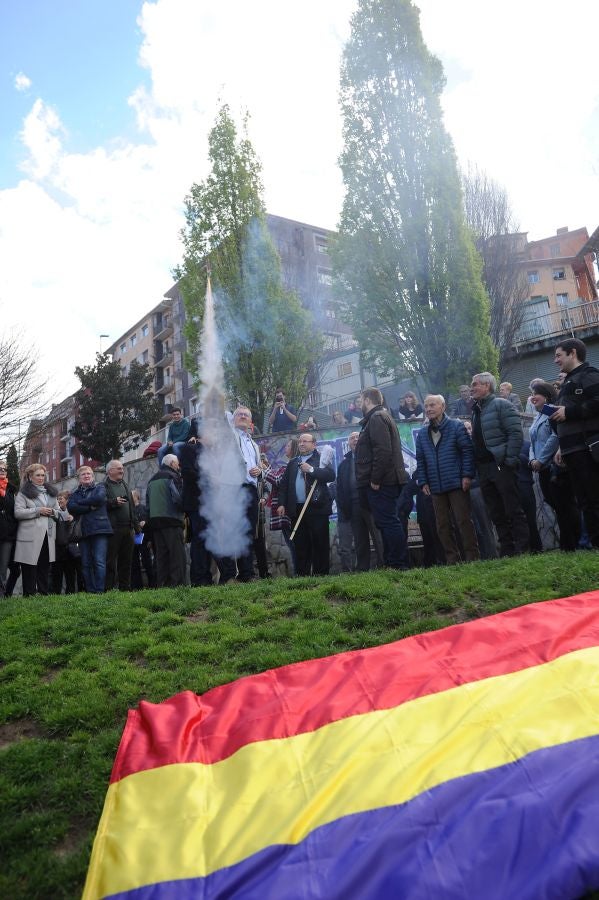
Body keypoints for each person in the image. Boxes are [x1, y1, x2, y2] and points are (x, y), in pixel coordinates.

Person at [415, 395, 479, 564]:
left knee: (463, 521)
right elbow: (420, 460)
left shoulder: (456, 426)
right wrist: (423, 481)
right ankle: (452, 560)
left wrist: (467, 475)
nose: (428, 409)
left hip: (457, 483)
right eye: (426, 406)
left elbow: (467, 452)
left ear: (443, 407)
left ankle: (472, 558)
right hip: (435, 486)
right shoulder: (422, 434)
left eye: (432, 405)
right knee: (442, 525)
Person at [470, 372, 529, 556]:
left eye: (475, 384)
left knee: (512, 508)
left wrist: (508, 461)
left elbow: (516, 434)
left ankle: (523, 548)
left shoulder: (502, 405)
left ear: (487, 386)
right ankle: (507, 550)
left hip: (500, 465)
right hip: (484, 468)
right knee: (496, 512)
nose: (471, 388)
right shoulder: (476, 411)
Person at [550, 337, 599, 547]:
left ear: (573, 353)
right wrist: (561, 447)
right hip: (571, 450)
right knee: (584, 501)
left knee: (594, 498)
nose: (555, 361)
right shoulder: (568, 382)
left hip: (587, 449)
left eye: (558, 355)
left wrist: (568, 412)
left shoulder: (589, 375)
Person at [356, 387, 409, 569]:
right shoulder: (379, 417)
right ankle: (392, 563)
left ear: (368, 400)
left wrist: (375, 480)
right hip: (386, 480)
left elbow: (383, 451)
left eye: (360, 400)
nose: (359, 404)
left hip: (383, 483)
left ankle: (398, 564)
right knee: (385, 522)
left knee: (389, 522)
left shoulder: (377, 418)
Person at [528, 381, 579, 552]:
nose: (532, 397)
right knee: (555, 504)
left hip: (554, 467)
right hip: (541, 468)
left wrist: (541, 460)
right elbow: (532, 441)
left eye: (536, 394)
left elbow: (555, 437)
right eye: (531, 394)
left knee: (564, 505)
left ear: (546, 396)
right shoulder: (537, 416)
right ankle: (568, 544)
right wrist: (532, 460)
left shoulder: (552, 411)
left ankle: (573, 544)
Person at [277, 433, 335, 576]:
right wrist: (281, 504)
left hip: (317, 508)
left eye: (305, 441)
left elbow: (330, 475)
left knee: (319, 543)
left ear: (314, 444)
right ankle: (303, 575)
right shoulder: (293, 462)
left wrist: (311, 469)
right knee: (301, 545)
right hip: (297, 509)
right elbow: (284, 485)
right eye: (300, 441)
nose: (301, 444)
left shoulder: (320, 459)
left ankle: (321, 575)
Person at [336, 431, 383, 571]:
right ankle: (363, 568)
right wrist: (344, 506)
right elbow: (340, 488)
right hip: (353, 506)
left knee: (377, 535)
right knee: (360, 538)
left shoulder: (371, 457)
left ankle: (384, 564)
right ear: (348, 443)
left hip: (371, 503)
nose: (355, 439)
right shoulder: (343, 464)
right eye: (352, 438)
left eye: (358, 437)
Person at [13, 464, 61, 596]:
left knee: (44, 566)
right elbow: (18, 513)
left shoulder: (51, 493)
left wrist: (53, 512)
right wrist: (38, 510)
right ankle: (29, 595)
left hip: (47, 535)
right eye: (38, 475)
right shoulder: (23, 493)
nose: (41, 478)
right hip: (30, 536)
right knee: (29, 567)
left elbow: (59, 512)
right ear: (30, 477)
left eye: (43, 475)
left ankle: (43, 593)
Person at [67, 466, 113, 593]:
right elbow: (71, 507)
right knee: (86, 563)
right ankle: (90, 590)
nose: (86, 476)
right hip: (83, 531)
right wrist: (89, 507)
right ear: (79, 478)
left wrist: (80, 503)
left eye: (89, 474)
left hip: (100, 529)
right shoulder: (75, 493)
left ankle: (99, 591)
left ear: (93, 476)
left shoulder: (100, 487)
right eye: (83, 474)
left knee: (99, 561)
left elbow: (99, 499)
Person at [231, 406, 264, 582]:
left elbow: (259, 467)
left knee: (250, 531)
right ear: (233, 419)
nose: (243, 416)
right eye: (239, 414)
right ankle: (241, 573)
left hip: (251, 489)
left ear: (250, 421)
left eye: (246, 415)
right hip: (235, 488)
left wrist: (259, 470)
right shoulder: (229, 436)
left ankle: (247, 572)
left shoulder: (254, 444)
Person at [146, 454, 187, 587]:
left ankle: (162, 586)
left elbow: (147, 505)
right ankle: (178, 585)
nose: (178, 466)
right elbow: (178, 498)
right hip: (172, 521)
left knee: (161, 557)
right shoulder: (173, 476)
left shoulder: (151, 480)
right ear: (172, 463)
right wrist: (185, 509)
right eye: (177, 463)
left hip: (155, 523)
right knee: (177, 555)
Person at [265, 438, 299, 575]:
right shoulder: (289, 464)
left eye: (288, 446)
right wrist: (267, 468)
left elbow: (278, 480)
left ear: (294, 448)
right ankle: (299, 571)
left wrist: (264, 471)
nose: (286, 448)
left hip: (287, 509)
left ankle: (299, 572)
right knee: (292, 543)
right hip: (287, 509)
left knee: (293, 542)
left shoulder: (291, 465)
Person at [104, 460, 137, 591]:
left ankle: (125, 589)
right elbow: (100, 504)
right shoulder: (103, 486)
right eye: (118, 468)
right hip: (113, 529)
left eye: (122, 468)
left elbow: (132, 507)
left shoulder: (125, 485)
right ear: (110, 471)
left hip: (128, 529)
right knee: (110, 562)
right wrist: (113, 502)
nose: (122, 471)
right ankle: (109, 589)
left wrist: (136, 527)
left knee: (126, 561)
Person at [52, 491, 82, 594]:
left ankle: (71, 593)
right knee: (57, 572)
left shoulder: (73, 512)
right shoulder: (55, 512)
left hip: (70, 546)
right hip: (58, 546)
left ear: (67, 500)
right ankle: (56, 593)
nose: (59, 501)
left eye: (61, 498)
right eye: (58, 499)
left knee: (70, 572)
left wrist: (72, 520)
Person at [130, 489, 156, 589]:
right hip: (133, 540)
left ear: (137, 497)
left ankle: (152, 585)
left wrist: (150, 539)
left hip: (144, 539)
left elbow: (150, 524)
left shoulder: (144, 509)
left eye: (132, 495)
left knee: (147, 562)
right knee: (134, 563)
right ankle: (137, 586)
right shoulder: (130, 510)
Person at [0, 458, 18, 594]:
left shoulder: (11, 489)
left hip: (7, 533)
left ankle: (2, 595)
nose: (2, 471)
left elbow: (13, 511)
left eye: (4, 469)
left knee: (3, 566)